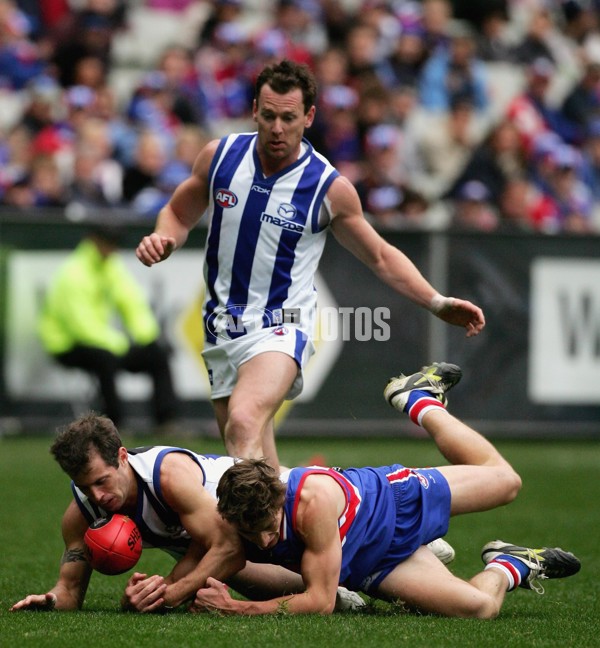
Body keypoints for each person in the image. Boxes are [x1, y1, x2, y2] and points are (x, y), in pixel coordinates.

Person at [135, 60, 485, 470]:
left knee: (243, 424)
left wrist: (437, 302)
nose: (277, 128)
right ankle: (311, 525)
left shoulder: (326, 186)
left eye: (288, 117)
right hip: (221, 326)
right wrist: (164, 239)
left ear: (309, 116)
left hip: (281, 325)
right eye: (268, 116)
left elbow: (379, 255)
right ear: (254, 110)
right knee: (256, 467)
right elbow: (178, 213)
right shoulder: (220, 157)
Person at [193, 362, 581, 617]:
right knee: (478, 608)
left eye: (267, 525)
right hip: (376, 565)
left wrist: (234, 609)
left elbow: (319, 601)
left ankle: (419, 400)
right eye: (250, 531)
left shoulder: (313, 503)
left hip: (399, 502)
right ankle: (510, 564)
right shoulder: (236, 511)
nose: (262, 540)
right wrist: (170, 591)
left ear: (278, 498)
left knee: (507, 483)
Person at [8, 411, 416, 613]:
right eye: (84, 487)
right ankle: (343, 587)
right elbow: (71, 588)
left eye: (101, 481)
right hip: (230, 539)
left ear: (121, 456)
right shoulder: (81, 511)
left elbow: (227, 549)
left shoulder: (167, 477)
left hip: (280, 510)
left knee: (280, 575)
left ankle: (401, 544)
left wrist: (166, 594)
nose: (97, 495)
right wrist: (51, 598)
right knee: (252, 583)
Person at [38, 225, 180, 431]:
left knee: (156, 355)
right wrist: (119, 345)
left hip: (104, 342)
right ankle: (113, 426)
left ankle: (167, 422)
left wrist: (147, 337)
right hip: (67, 346)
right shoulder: (73, 272)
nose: (113, 248)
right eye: (109, 243)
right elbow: (81, 326)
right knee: (105, 359)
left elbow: (131, 302)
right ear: (94, 241)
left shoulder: (111, 267)